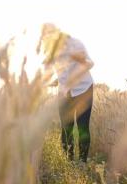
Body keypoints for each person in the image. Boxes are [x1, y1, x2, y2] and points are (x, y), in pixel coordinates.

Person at [38, 23, 94, 162]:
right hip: (64, 93)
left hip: (83, 90)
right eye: (45, 37)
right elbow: (50, 71)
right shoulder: (51, 50)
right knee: (66, 129)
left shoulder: (75, 44)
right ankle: (68, 162)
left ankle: (82, 163)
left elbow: (90, 63)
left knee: (82, 127)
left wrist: (79, 60)